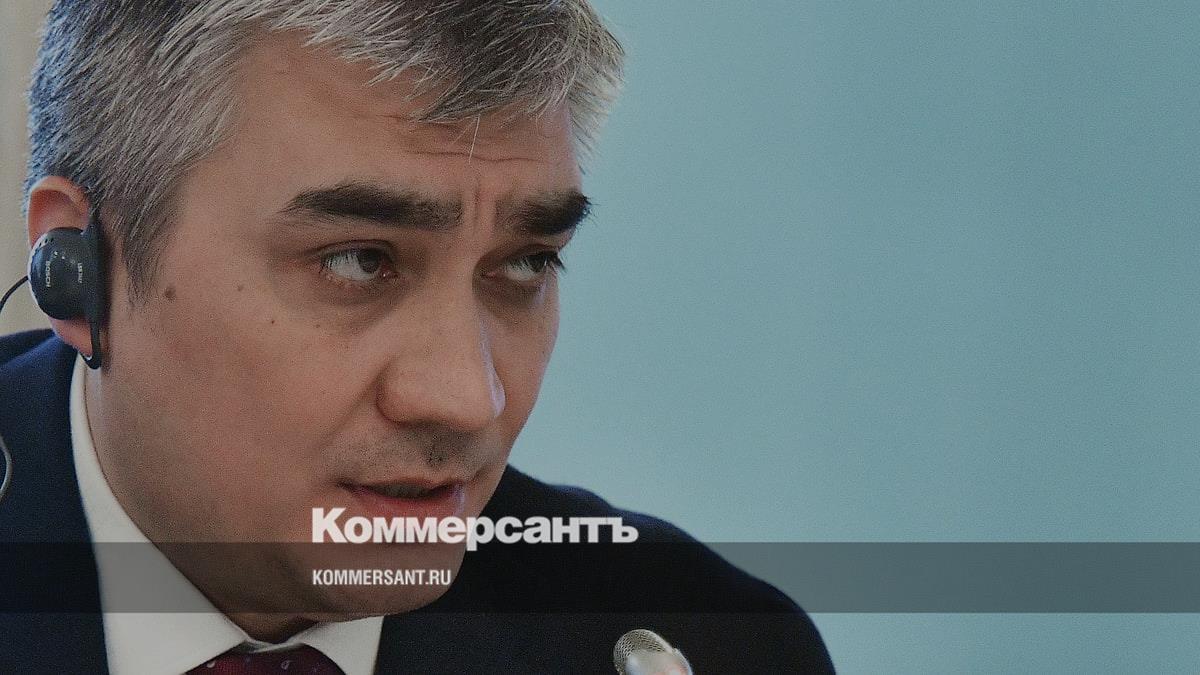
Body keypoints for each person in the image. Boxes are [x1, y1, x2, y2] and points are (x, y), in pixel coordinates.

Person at [0, 1, 834, 672]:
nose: (468, 399)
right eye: (358, 262)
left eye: (525, 264)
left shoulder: (713, 641)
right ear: (80, 271)